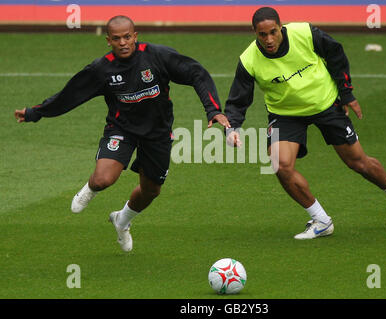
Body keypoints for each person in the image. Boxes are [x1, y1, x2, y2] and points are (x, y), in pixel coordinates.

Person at [15, 15, 230, 251]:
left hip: (157, 133)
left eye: (127, 37)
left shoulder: (157, 56)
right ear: (108, 41)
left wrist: (213, 110)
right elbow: (70, 95)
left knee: (151, 191)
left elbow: (196, 73)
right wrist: (35, 112)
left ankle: (122, 220)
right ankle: (90, 189)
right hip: (122, 129)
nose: (123, 43)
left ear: (135, 36)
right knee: (102, 179)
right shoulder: (102, 69)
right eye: (116, 39)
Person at [224, 7, 386, 239]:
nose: (269, 39)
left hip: (325, 104)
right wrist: (232, 128)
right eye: (262, 35)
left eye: (273, 32)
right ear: (254, 33)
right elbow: (238, 99)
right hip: (286, 113)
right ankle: (321, 220)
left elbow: (335, 53)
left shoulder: (305, 33)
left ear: (281, 27)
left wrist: (346, 93)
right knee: (280, 165)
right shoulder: (249, 60)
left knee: (358, 163)